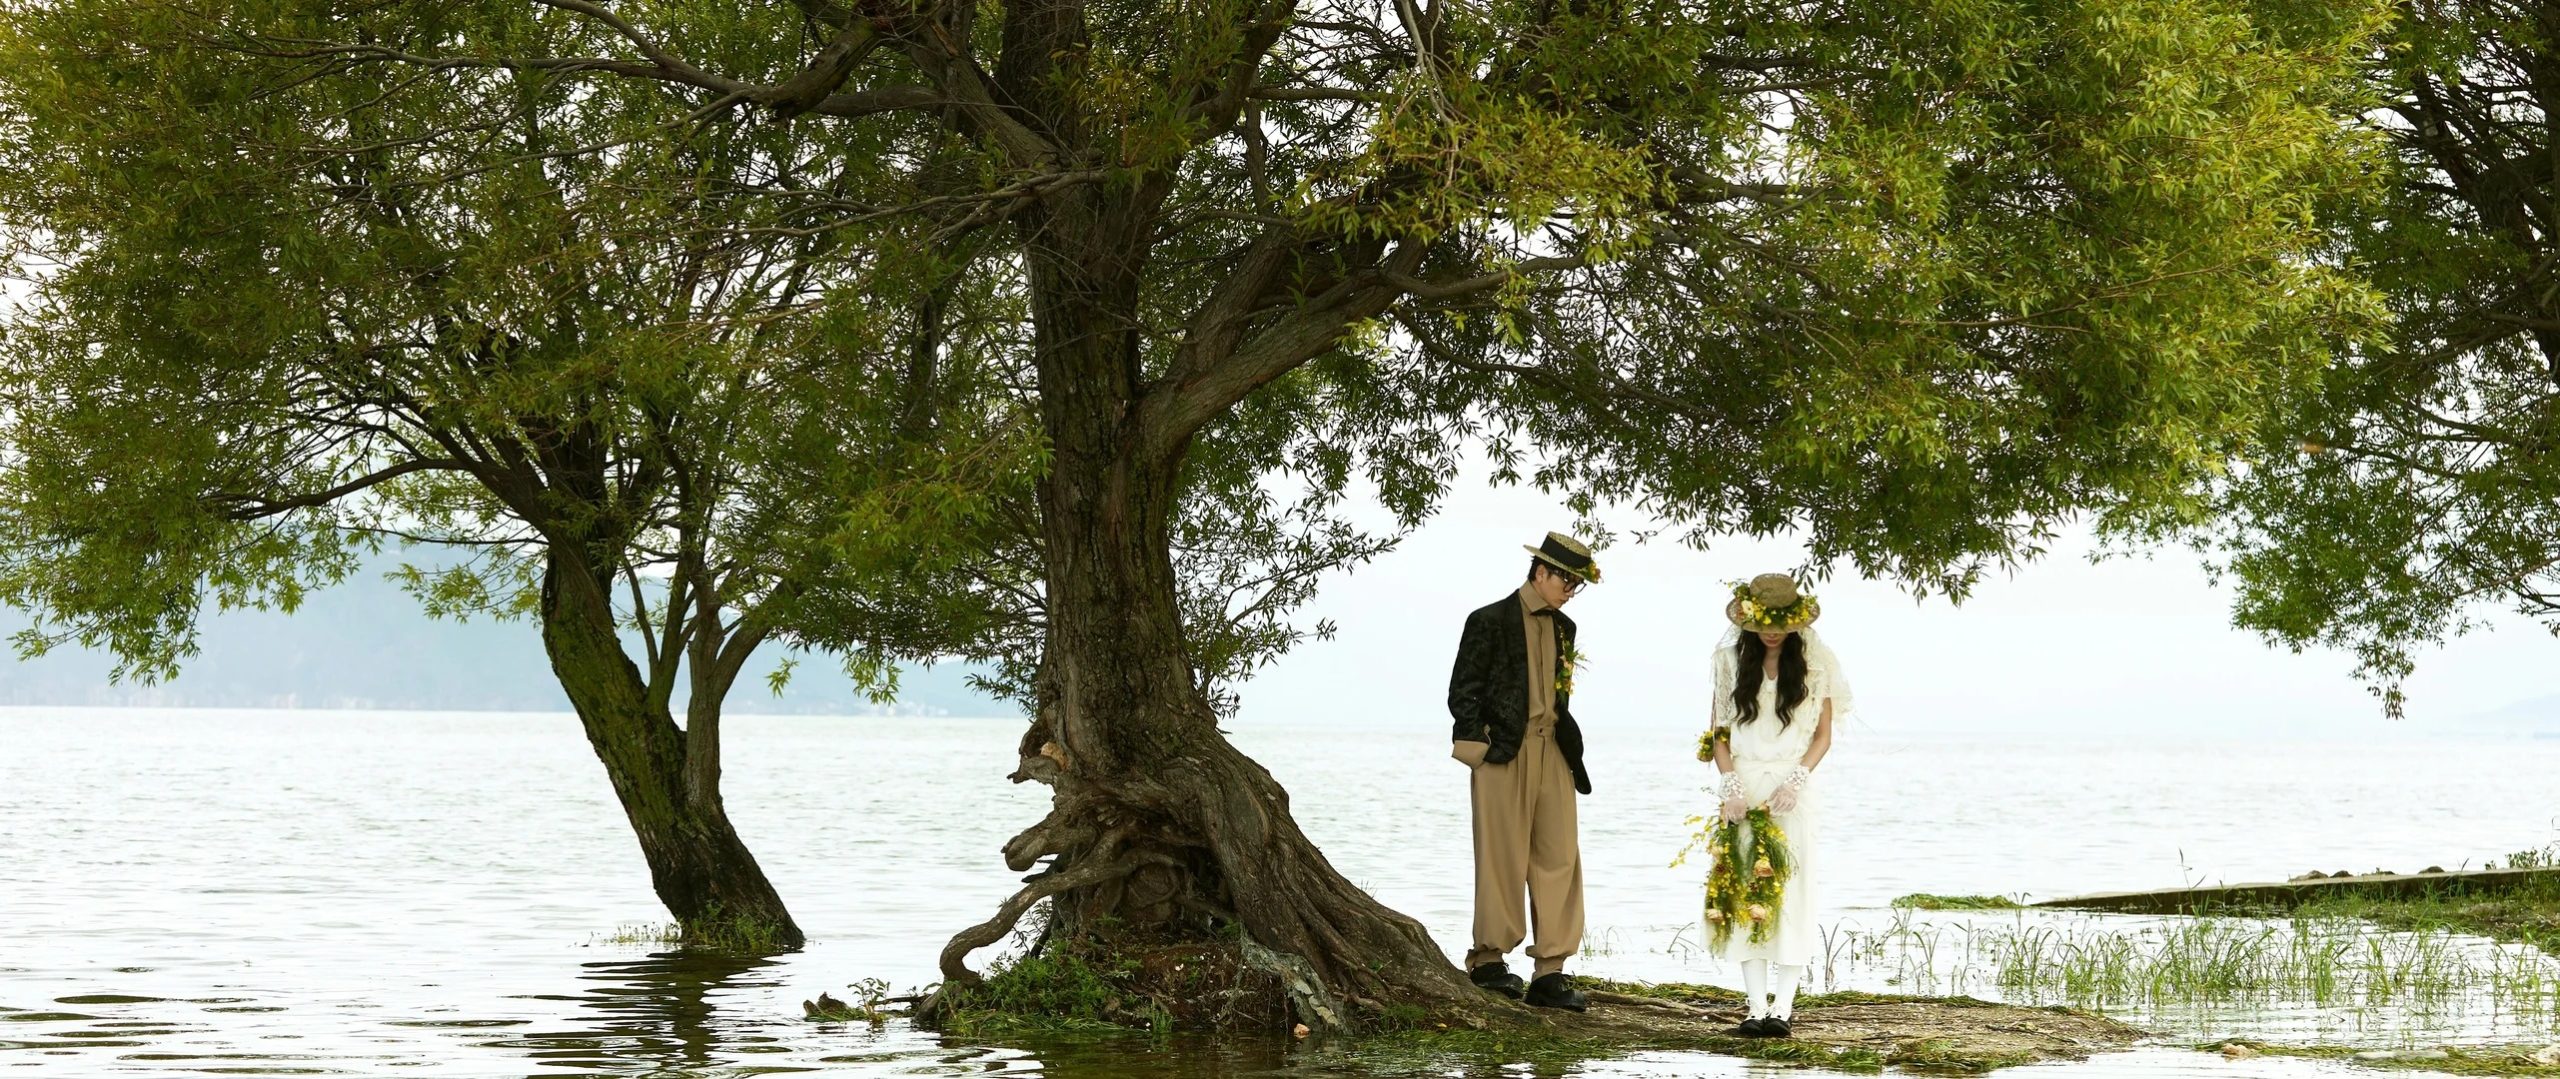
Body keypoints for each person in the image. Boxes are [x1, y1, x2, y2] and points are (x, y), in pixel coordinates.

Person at [1446, 531, 1599, 1011]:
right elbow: (1463, 690)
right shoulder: (1488, 620)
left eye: (1576, 584)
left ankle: (1550, 972)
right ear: (1540, 572)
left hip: (1553, 750)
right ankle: (1489, 961)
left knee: (1560, 856)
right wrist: (1479, 747)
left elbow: (1559, 696)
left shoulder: (1566, 628)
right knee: (1501, 856)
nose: (1570, 590)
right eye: (1565, 580)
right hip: (1503, 753)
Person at [1703, 572, 1850, 1038]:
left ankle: (1782, 1008)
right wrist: (1730, 786)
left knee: (1792, 892)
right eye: (1764, 623)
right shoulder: (1729, 662)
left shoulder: (1815, 664)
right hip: (1744, 783)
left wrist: (1797, 780)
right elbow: (1718, 734)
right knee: (1744, 892)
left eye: (1781, 624)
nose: (1772, 632)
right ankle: (1753, 1006)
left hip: (1793, 787)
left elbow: (1823, 735)